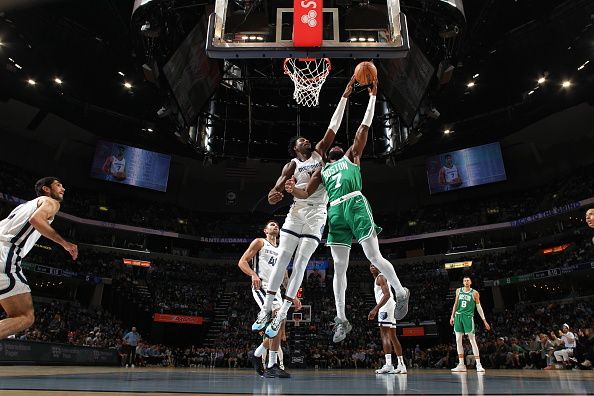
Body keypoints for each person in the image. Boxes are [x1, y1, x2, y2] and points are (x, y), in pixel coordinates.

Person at [285, 79, 410, 343]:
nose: (337, 146)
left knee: (372, 256)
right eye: (334, 147)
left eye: (340, 145)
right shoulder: (323, 169)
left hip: (355, 203)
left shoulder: (352, 156)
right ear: (329, 153)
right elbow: (306, 193)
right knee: (339, 267)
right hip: (335, 212)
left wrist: (372, 97)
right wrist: (290, 189)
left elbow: (362, 129)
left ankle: (400, 291)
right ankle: (341, 319)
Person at [252, 78, 355, 342]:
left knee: (300, 265)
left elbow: (334, 125)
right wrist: (273, 195)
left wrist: (344, 97)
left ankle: (283, 311)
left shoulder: (320, 152)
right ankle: (265, 311)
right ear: (295, 148)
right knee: (283, 257)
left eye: (305, 138)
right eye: (300, 140)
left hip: (317, 213)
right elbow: (274, 191)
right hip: (296, 212)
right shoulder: (290, 166)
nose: (305, 139)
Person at [0, 177, 77, 340]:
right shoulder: (51, 202)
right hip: (5, 254)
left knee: (15, 316)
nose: (63, 188)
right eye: (58, 185)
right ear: (46, 189)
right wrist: (65, 244)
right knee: (25, 316)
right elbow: (36, 220)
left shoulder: (23, 206)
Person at [238, 220, 300, 378]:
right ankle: (271, 364)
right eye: (271, 225)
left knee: (277, 325)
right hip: (262, 286)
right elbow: (242, 262)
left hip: (277, 291)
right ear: (265, 230)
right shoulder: (260, 242)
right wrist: (253, 275)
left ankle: (258, 355)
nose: (275, 226)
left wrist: (292, 296)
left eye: (277, 225)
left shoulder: (282, 250)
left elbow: (285, 277)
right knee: (276, 318)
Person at [368, 264, 407, 374]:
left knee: (384, 335)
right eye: (370, 265)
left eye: (374, 265)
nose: (372, 267)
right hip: (390, 307)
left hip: (385, 307)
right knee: (393, 336)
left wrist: (375, 309)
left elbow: (387, 295)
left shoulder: (381, 277)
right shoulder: (380, 277)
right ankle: (401, 365)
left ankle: (389, 365)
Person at [449, 276, 490, 372]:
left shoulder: (474, 293)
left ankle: (478, 365)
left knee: (472, 340)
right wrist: (452, 316)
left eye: (468, 280)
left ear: (470, 282)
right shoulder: (458, 290)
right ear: (463, 282)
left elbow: (479, 307)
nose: (466, 282)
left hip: (468, 317)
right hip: (458, 316)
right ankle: (461, 364)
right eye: (464, 280)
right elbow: (455, 304)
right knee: (458, 340)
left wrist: (484, 320)